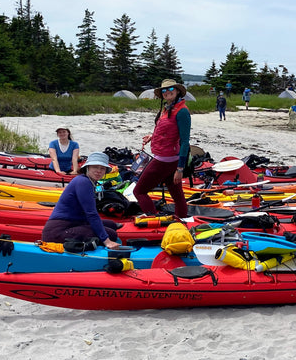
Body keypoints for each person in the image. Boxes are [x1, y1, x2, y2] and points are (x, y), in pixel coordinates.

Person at [133, 78, 191, 218]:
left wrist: (180, 169)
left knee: (139, 191)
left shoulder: (182, 111)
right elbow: (167, 130)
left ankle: (153, 218)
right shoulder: (167, 108)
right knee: (177, 195)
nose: (167, 92)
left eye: (171, 89)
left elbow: (185, 142)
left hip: (166, 160)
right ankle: (181, 220)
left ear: (177, 91)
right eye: (164, 90)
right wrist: (152, 136)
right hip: (168, 158)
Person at [41, 151, 121, 248]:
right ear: (87, 167)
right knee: (111, 234)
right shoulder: (83, 182)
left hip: (75, 223)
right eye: (95, 167)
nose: (99, 171)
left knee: (111, 224)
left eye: (102, 168)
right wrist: (107, 241)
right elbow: (91, 213)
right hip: (58, 231)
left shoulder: (91, 182)